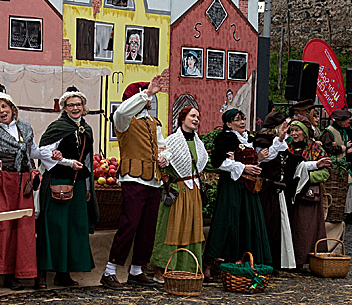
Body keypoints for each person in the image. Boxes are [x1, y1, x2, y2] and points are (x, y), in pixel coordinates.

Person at [0, 88, 67, 291]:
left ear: (12, 108)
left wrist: (53, 154)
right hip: (1, 180)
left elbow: (34, 152)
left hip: (23, 183)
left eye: (4, 106)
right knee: (1, 226)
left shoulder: (25, 128)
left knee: (22, 228)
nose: (1, 111)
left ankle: (16, 275)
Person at [101, 77, 167, 290]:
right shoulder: (124, 119)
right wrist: (145, 93)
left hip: (154, 180)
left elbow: (163, 146)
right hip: (133, 178)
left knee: (148, 227)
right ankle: (109, 270)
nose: (149, 98)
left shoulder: (153, 122)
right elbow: (121, 112)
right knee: (129, 224)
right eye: (144, 94)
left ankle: (137, 270)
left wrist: (165, 157)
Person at [35, 87, 99, 288]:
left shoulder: (86, 130)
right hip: (58, 183)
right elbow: (43, 152)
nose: (75, 108)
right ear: (64, 108)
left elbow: (87, 159)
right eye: (71, 105)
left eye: (78, 104)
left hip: (78, 185)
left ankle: (63, 273)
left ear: (83, 106)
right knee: (54, 228)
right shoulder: (58, 127)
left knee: (72, 229)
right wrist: (66, 161)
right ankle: (42, 274)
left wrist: (88, 185)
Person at [206, 108, 271, 272]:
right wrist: (242, 167)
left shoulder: (248, 138)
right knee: (228, 221)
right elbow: (218, 162)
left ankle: (246, 260)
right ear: (228, 124)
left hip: (247, 188)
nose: (242, 122)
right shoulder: (226, 138)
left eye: (242, 118)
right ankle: (213, 261)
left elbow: (253, 161)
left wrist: (257, 161)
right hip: (232, 187)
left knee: (247, 222)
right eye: (237, 119)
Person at [149, 107, 209, 275]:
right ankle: (165, 269)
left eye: (198, 116)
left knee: (192, 229)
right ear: (182, 119)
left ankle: (189, 269)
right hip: (177, 192)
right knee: (171, 229)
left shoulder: (199, 143)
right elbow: (163, 158)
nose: (196, 119)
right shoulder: (172, 140)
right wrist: (162, 161)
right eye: (192, 116)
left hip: (193, 192)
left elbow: (205, 163)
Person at [286, 121, 331, 269]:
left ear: (305, 132)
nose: (294, 134)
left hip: (308, 195)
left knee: (307, 227)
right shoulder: (288, 148)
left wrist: (304, 178)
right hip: (290, 194)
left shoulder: (316, 148)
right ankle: (293, 260)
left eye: (297, 130)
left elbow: (325, 172)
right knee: (292, 227)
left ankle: (309, 258)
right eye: (292, 131)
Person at [256, 111, 296, 269]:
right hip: (266, 189)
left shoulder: (283, 141)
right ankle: (264, 260)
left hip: (278, 189)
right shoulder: (263, 140)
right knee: (267, 224)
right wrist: (279, 139)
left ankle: (275, 261)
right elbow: (267, 157)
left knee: (278, 226)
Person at [320, 109, 352, 243]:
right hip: (333, 168)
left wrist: (344, 147)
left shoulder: (343, 131)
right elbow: (326, 148)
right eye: (346, 120)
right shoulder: (329, 132)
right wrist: (340, 148)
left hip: (342, 166)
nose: (348, 122)